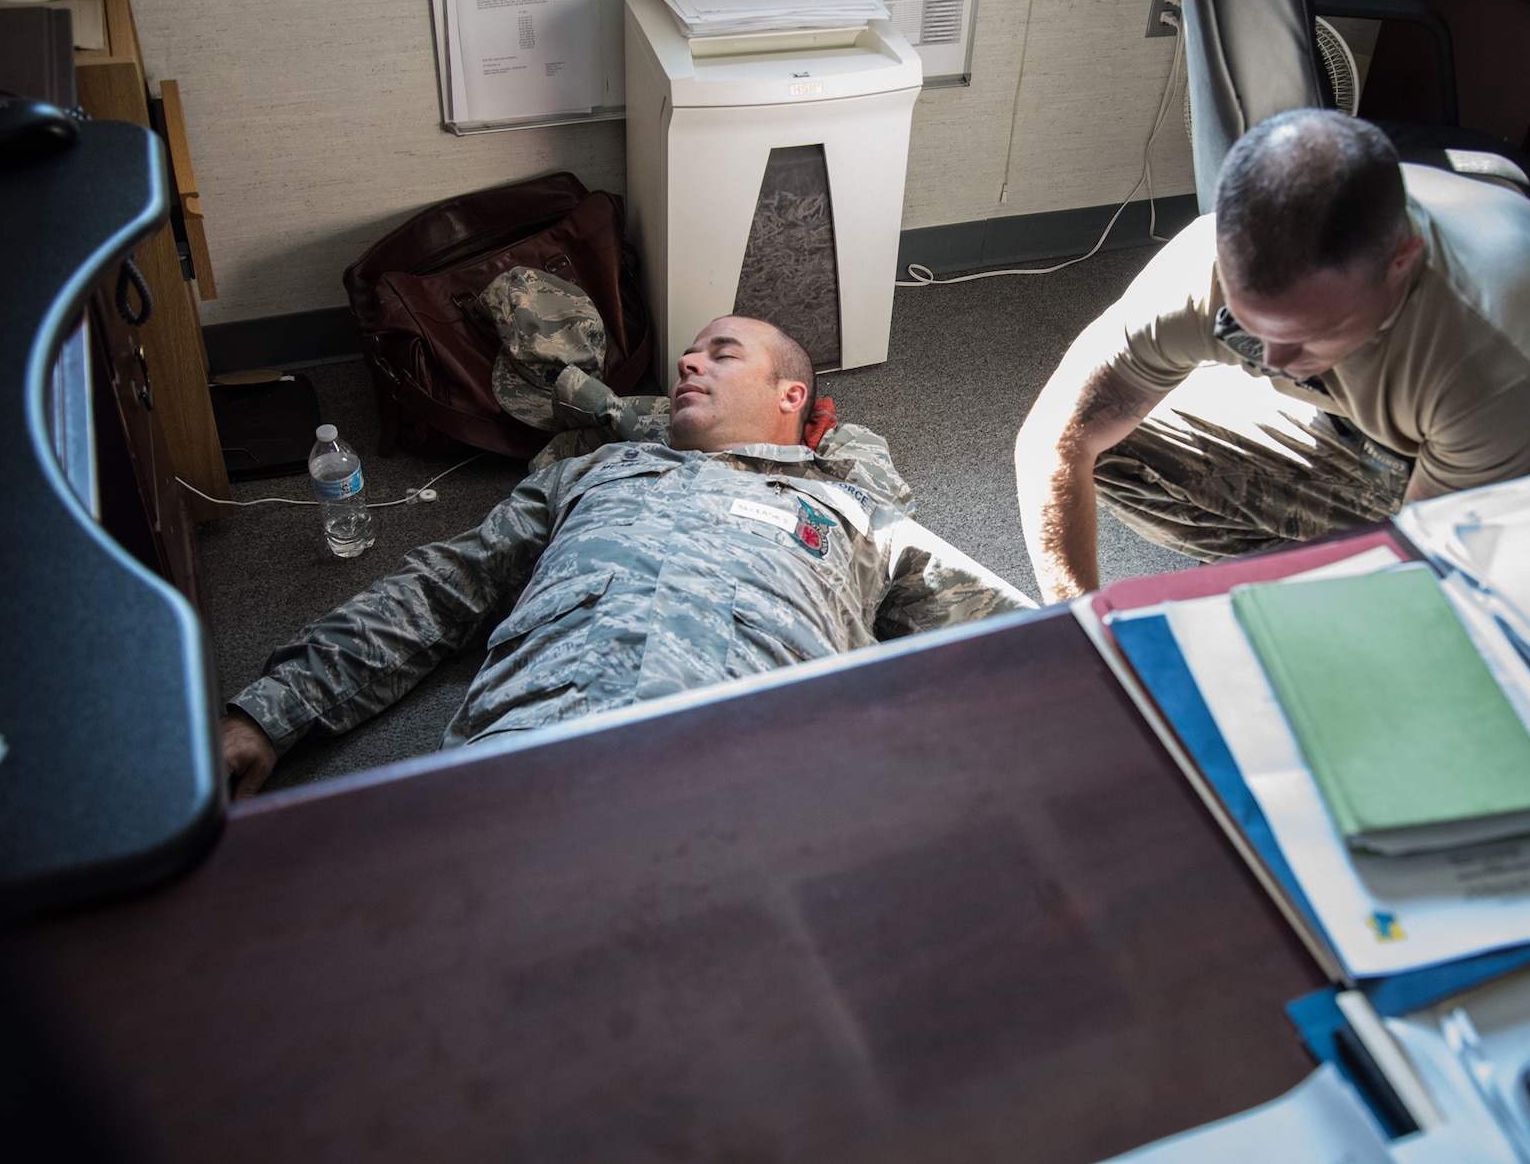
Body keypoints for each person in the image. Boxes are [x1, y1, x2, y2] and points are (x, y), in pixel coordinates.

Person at [222, 300, 1033, 796]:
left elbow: (1025, 645)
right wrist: (273, 712)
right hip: (532, 759)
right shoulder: (593, 472)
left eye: (721, 353)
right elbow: (440, 589)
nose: (687, 360)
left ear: (793, 396)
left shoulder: (855, 510)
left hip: (771, 777)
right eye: (690, 350)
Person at [1015, 108, 1530, 601]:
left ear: (1401, 263)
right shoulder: (1205, 261)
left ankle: (1303, 595)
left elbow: (1425, 578)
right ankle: (1283, 589)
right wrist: (1079, 623)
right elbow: (1053, 438)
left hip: (1512, 471)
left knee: (1446, 627)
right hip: (1354, 426)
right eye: (1251, 326)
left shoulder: (1497, 355)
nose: (1272, 364)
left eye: (1309, 337)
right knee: (1117, 447)